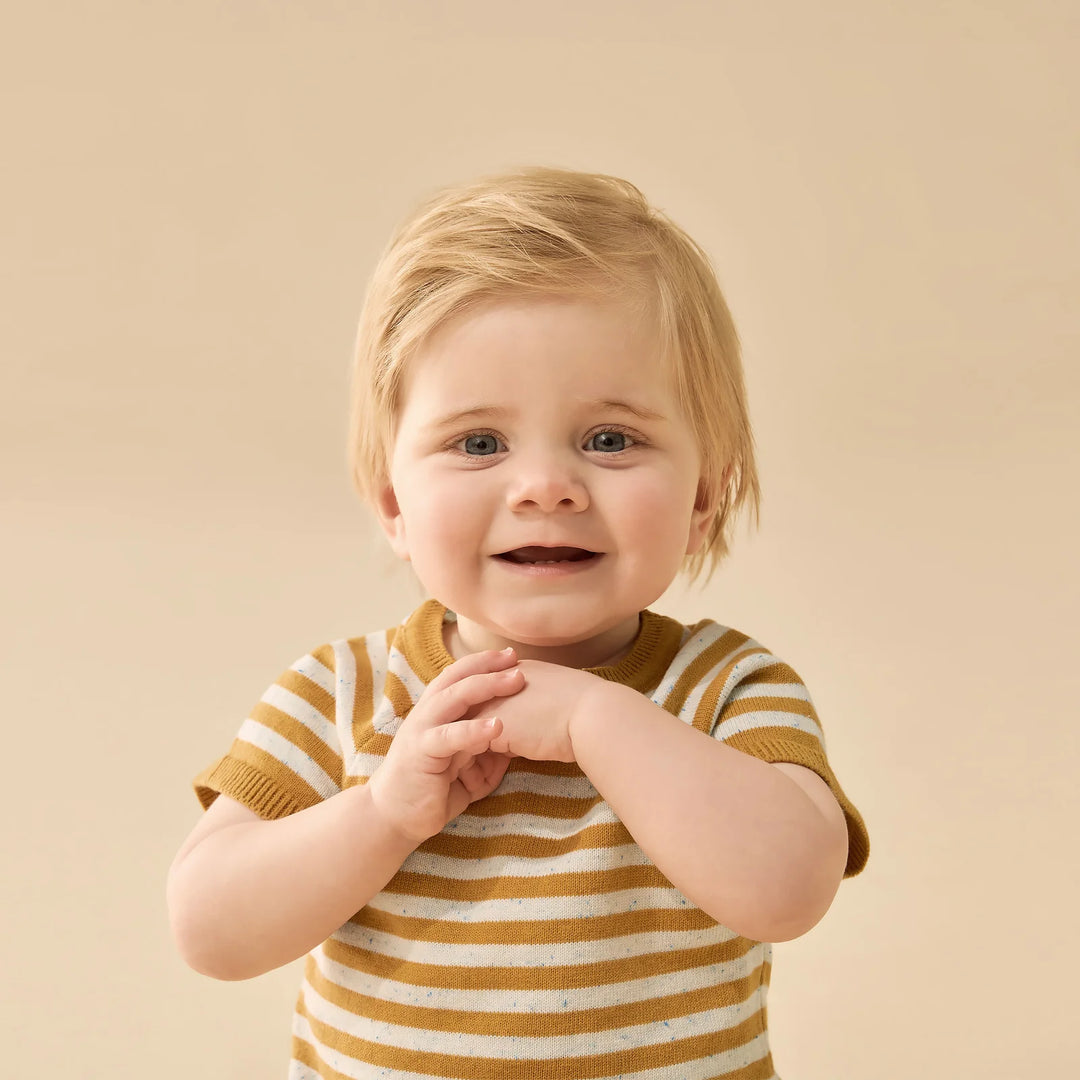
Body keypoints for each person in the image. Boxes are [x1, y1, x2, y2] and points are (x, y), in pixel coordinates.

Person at [168, 166, 870, 1080]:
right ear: (393, 503)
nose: (546, 486)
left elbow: (788, 891)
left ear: (704, 497)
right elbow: (209, 931)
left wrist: (597, 719)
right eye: (479, 443)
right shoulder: (337, 695)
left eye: (610, 439)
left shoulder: (726, 689)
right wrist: (382, 814)